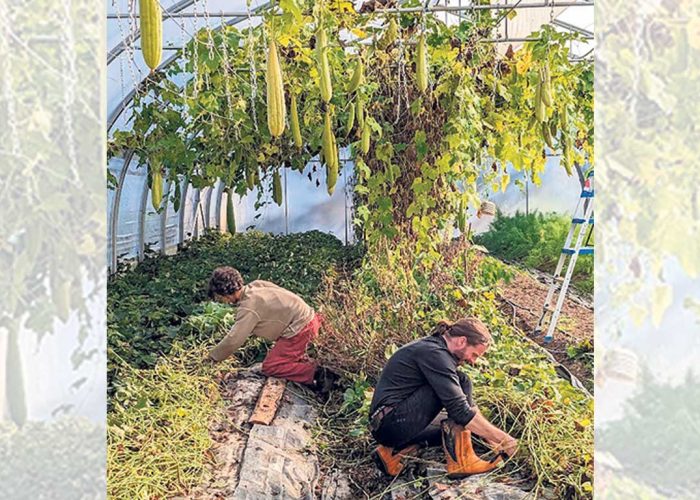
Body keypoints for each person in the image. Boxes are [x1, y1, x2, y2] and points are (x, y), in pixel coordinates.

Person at [369, 317, 518, 478]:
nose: (473, 361)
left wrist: (493, 441)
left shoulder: (436, 349)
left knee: (461, 390)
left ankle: (391, 454)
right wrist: (506, 440)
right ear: (462, 341)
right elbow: (460, 411)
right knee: (454, 392)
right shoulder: (434, 354)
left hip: (390, 423)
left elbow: (468, 410)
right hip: (390, 426)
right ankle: (462, 462)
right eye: (474, 354)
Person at [205, 266, 335, 392]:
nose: (223, 301)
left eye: (220, 297)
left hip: (301, 329)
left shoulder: (248, 307)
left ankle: (319, 374)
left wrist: (212, 358)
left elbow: (233, 340)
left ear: (226, 294)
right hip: (311, 318)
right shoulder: (257, 285)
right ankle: (315, 368)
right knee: (285, 356)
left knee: (271, 366)